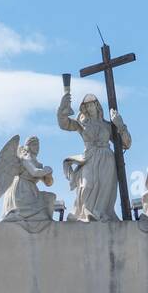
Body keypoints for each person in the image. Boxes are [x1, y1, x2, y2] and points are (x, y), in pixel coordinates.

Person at [57, 90, 131, 222]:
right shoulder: (82, 124)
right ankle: (85, 213)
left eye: (91, 105)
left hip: (107, 160)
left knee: (104, 188)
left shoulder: (107, 126)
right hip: (89, 157)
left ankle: (99, 213)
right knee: (86, 186)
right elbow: (64, 124)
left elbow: (126, 144)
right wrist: (63, 107)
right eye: (86, 106)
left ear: (97, 106)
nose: (89, 108)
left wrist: (120, 125)